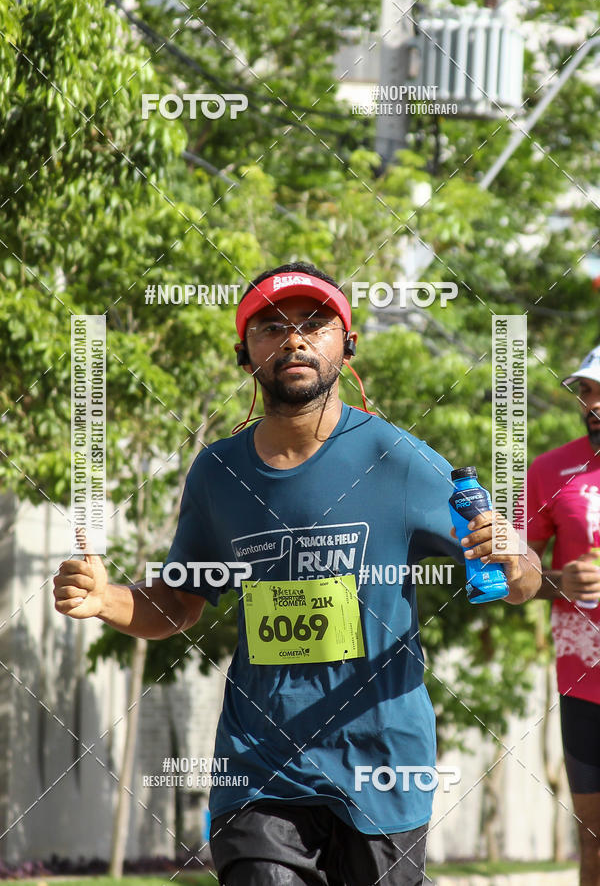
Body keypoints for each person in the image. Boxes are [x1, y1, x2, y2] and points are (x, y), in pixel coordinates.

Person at [54, 262, 541, 885]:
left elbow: (519, 579)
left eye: (315, 323)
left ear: (348, 341)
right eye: (270, 327)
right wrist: (106, 600)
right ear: (244, 351)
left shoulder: (397, 459)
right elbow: (179, 604)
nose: (293, 339)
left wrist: (511, 555)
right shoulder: (217, 473)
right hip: (260, 763)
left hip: (382, 760)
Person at [527, 345, 600, 886]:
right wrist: (559, 581)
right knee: (594, 845)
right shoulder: (551, 469)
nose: (592, 402)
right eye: (586, 390)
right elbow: (513, 579)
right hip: (585, 685)